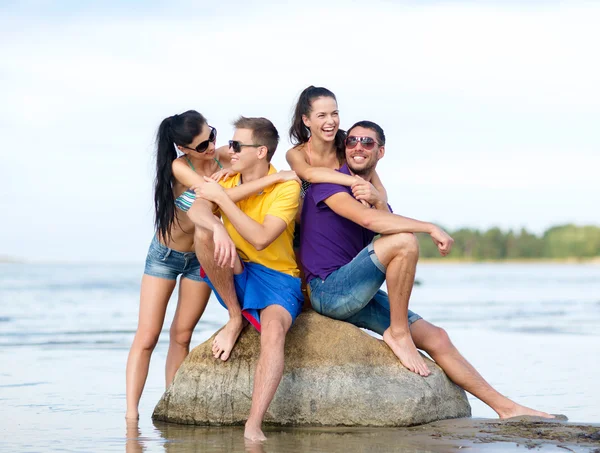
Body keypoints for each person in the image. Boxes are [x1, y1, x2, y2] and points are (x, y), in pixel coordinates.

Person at [300, 119, 553, 419]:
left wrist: (380, 200)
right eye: (352, 141)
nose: (358, 147)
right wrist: (430, 227)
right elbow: (373, 225)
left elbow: (382, 223)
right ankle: (398, 333)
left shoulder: (372, 192)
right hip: (328, 290)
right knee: (405, 243)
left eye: (367, 143)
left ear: (380, 152)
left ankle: (507, 408)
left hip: (354, 292)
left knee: (438, 337)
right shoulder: (329, 181)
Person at [125, 110, 297, 420]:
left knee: (182, 334)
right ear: (185, 149)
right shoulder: (181, 166)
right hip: (166, 253)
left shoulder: (224, 156)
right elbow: (212, 198)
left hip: (200, 257)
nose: (213, 146)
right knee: (148, 336)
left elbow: (239, 177)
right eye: (203, 145)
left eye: (213, 136)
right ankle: (131, 416)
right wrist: (274, 178)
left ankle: (170, 402)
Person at [186, 116, 303, 441]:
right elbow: (196, 212)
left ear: (262, 151)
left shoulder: (287, 184)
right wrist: (217, 225)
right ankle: (235, 318)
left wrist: (222, 202)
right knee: (203, 232)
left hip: (279, 277)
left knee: (274, 331)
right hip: (236, 270)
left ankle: (254, 424)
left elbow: (262, 238)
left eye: (237, 145)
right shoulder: (227, 177)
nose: (229, 150)